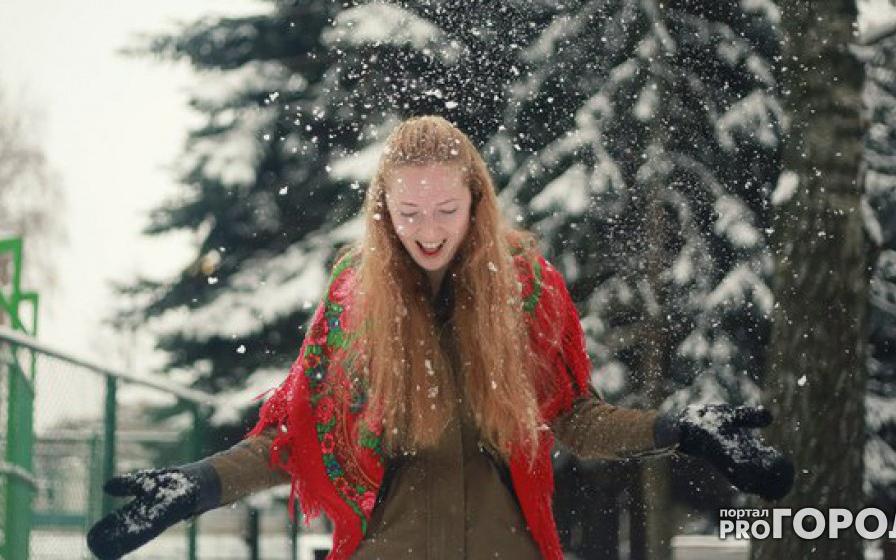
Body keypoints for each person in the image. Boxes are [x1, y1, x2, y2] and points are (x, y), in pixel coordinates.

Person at [87, 116, 794, 560]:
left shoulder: (528, 290)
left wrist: (679, 430)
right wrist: (199, 483)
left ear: (477, 200)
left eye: (447, 209)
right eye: (409, 212)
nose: (428, 231)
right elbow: (294, 436)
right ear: (383, 210)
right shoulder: (353, 302)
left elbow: (575, 418)